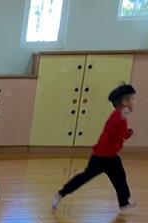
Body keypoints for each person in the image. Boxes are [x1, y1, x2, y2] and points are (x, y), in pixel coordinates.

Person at [53, 84, 137, 212]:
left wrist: (126, 132)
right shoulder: (118, 118)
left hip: (110, 156)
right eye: (132, 99)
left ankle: (124, 203)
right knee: (85, 177)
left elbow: (118, 135)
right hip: (102, 157)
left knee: (120, 177)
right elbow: (115, 136)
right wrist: (127, 134)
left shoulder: (119, 116)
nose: (134, 102)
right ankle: (61, 193)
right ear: (125, 102)